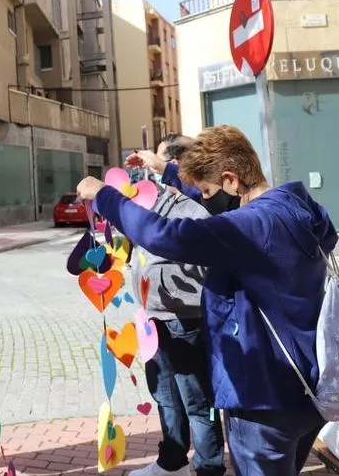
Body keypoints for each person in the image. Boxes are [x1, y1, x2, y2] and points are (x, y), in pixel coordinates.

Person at [77, 125, 332, 476]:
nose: (205, 200)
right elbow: (215, 199)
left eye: (208, 192)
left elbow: (164, 235)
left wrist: (104, 195)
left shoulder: (249, 226)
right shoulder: (297, 207)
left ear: (231, 180)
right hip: (308, 388)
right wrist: (165, 169)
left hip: (263, 397)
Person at [127, 136, 225, 476]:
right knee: (165, 395)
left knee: (198, 400)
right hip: (152, 319)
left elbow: (204, 261)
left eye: (158, 162)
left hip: (186, 319)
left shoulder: (200, 204)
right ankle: (172, 463)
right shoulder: (155, 199)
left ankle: (209, 466)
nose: (151, 170)